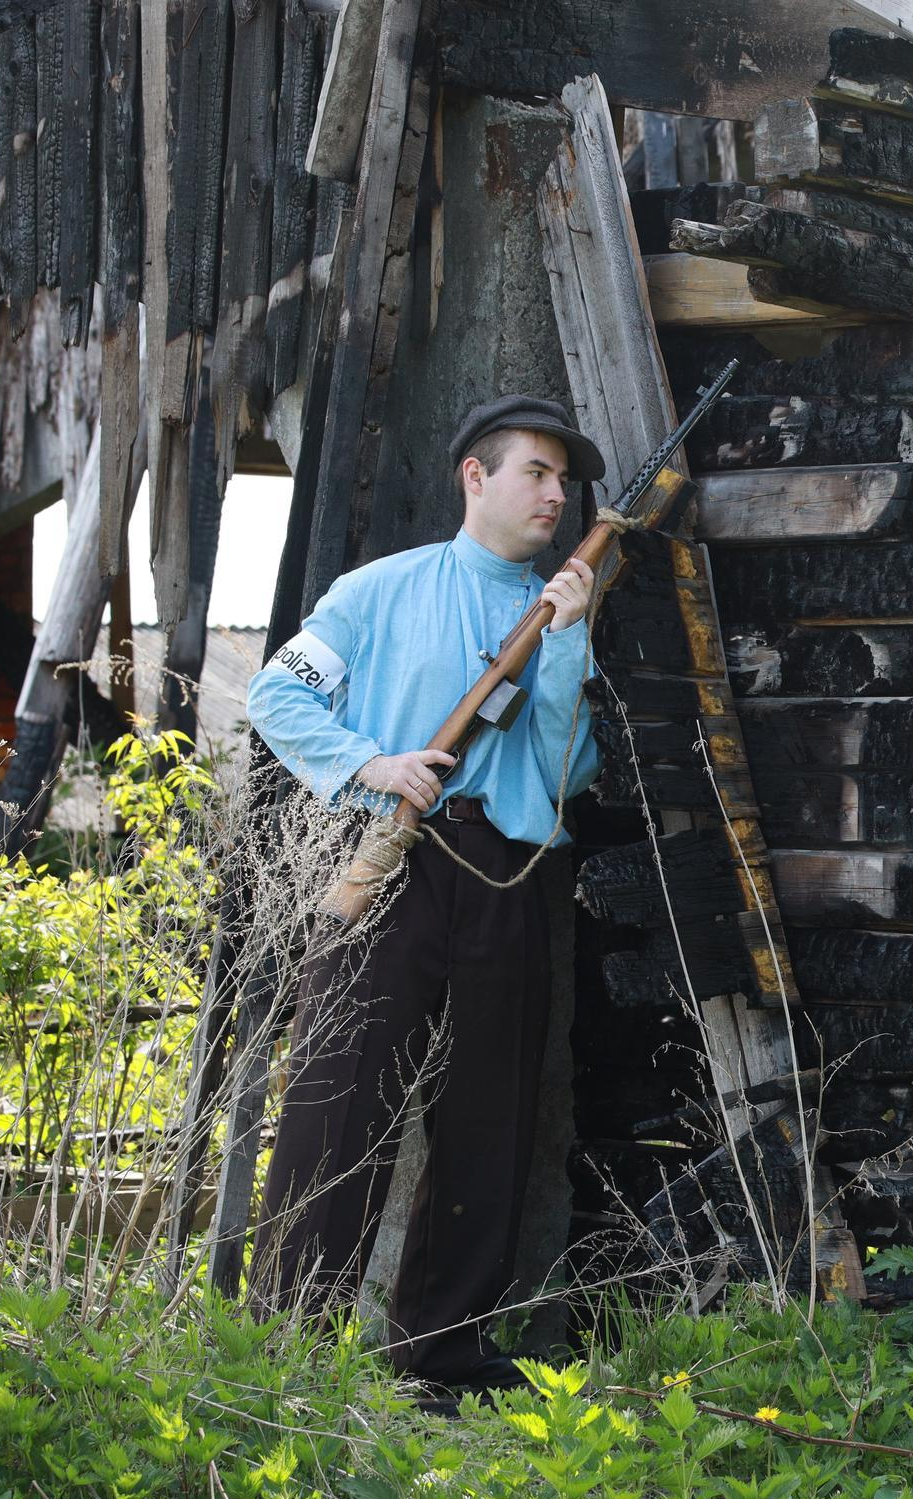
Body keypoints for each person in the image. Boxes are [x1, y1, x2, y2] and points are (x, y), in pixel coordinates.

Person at [243, 395, 606, 1408]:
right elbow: (276, 696)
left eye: (563, 479)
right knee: (334, 1102)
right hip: (391, 860)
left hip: (509, 879)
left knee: (490, 1117)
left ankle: (440, 1357)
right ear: (475, 478)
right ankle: (290, 1348)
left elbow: (567, 771)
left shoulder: (558, 611)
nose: (555, 493)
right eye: (534, 471)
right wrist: (371, 764)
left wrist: (569, 642)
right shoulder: (376, 592)